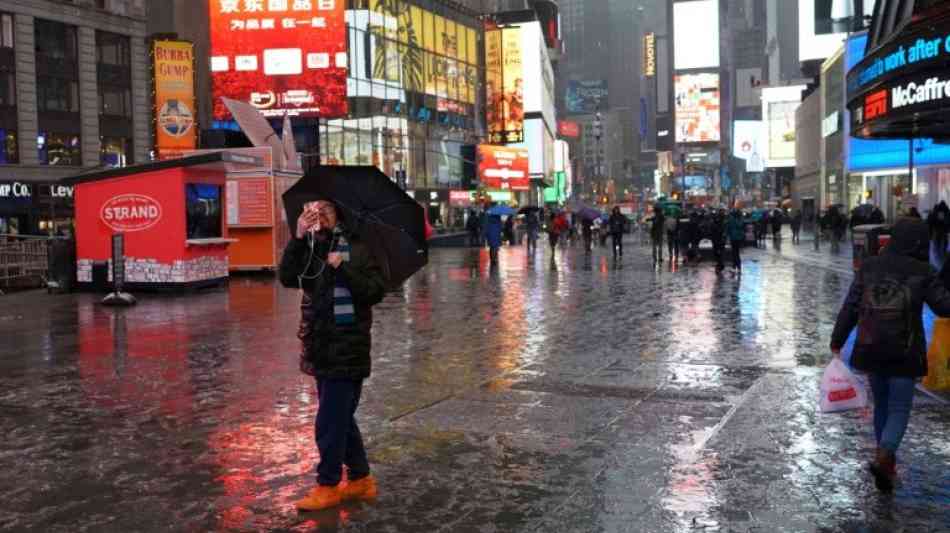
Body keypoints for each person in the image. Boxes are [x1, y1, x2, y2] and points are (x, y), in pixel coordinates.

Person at [279, 200, 387, 512]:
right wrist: (298, 236)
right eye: (314, 207)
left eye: (326, 208)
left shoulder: (358, 247)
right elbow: (287, 277)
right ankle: (361, 479)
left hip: (348, 347)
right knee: (340, 419)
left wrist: (343, 266)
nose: (319, 213)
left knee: (329, 422)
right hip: (319, 344)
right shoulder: (312, 246)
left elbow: (374, 291)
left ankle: (327, 485)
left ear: (339, 212)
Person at [830, 218, 950, 492]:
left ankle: (887, 463)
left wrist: (837, 340)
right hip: (904, 352)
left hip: (871, 347)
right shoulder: (923, 270)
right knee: (898, 408)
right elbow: (944, 306)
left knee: (882, 405)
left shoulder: (870, 266)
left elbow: (851, 305)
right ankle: (885, 454)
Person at [726, 208, 745, 273]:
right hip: (739, 238)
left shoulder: (731, 219)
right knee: (737, 253)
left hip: (733, 238)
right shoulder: (741, 219)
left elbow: (728, 228)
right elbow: (742, 227)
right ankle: (739, 267)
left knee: (734, 253)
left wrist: (727, 237)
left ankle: (734, 267)